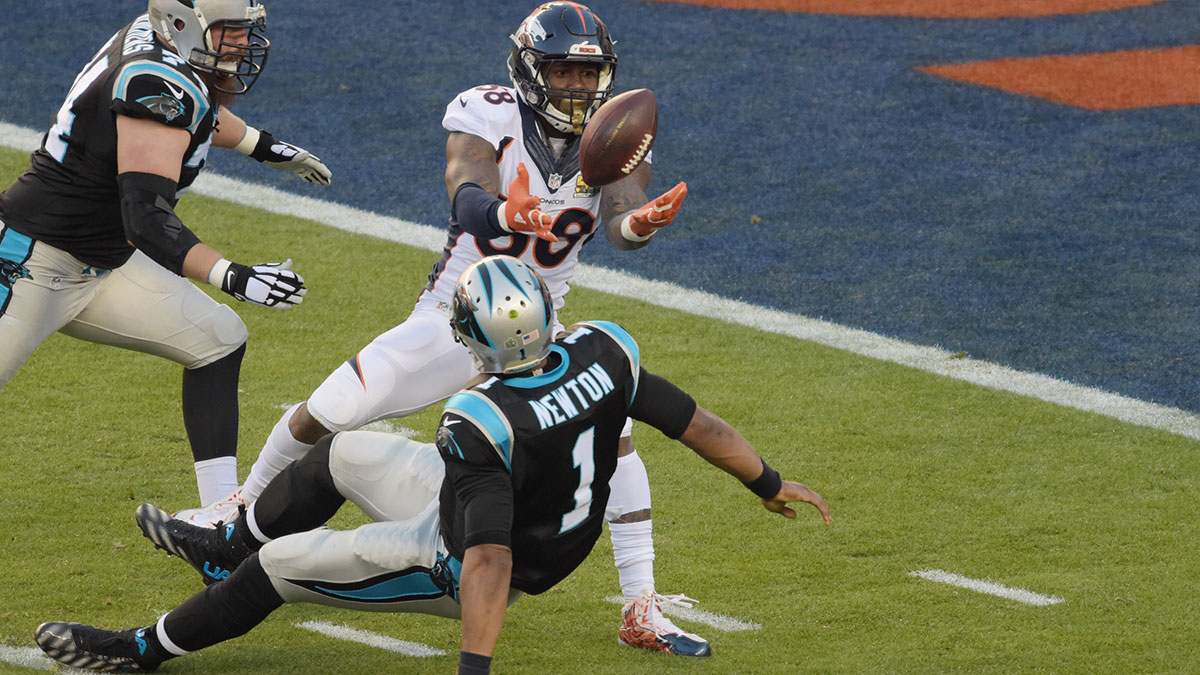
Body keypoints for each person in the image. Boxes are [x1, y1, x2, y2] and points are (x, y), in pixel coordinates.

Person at [179, 1, 697, 654]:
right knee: (333, 407)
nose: (576, 86)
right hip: (456, 315)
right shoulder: (487, 114)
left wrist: (639, 224)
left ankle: (640, 603)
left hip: (539, 324)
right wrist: (511, 213)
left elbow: (620, 220)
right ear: (531, 69)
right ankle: (236, 519)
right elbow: (466, 192)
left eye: (585, 74)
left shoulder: (612, 129)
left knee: (614, 430)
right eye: (562, 71)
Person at [34, 255, 831, 674]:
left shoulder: (479, 415)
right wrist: (766, 480)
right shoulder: (605, 347)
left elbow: (484, 556)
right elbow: (698, 421)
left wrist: (474, 668)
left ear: (475, 340)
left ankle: (140, 651)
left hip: (467, 559)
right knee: (340, 450)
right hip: (508, 504)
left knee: (283, 565)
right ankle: (225, 548)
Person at [0, 0, 328, 507]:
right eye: (231, 31)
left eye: (246, 31)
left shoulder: (162, 50)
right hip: (32, 262)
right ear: (187, 24)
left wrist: (263, 146)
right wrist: (233, 275)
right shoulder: (155, 82)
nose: (242, 44)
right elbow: (147, 218)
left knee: (217, 339)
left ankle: (218, 519)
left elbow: (191, 109)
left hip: (101, 264)